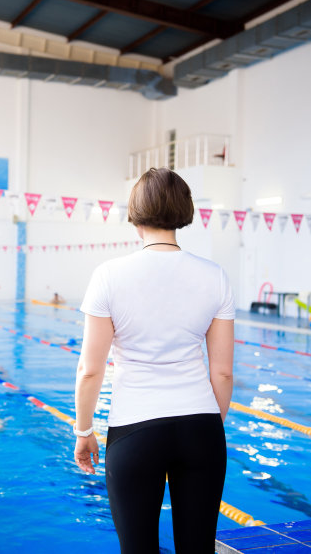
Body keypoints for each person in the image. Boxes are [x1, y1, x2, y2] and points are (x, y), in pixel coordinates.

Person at [74, 167, 234, 554]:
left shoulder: (109, 275)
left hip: (134, 429)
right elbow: (224, 372)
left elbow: (90, 369)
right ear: (185, 211)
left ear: (135, 213)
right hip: (201, 426)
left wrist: (83, 431)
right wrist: (209, 426)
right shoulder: (215, 276)